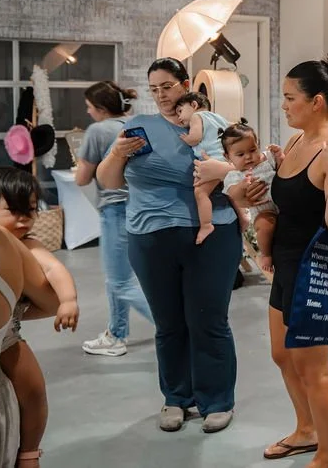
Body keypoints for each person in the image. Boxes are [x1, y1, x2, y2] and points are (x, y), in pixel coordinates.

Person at [224, 55, 328, 467]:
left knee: (314, 368)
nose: (284, 105)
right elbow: (287, 199)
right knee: (282, 355)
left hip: (312, 270)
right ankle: (305, 430)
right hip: (284, 262)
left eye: (289, 98)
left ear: (316, 101)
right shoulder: (298, 141)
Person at [97, 57, 241, 434]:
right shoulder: (139, 127)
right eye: (155, 89)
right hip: (150, 237)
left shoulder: (215, 124)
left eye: (168, 86)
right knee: (169, 323)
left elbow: (248, 166)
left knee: (208, 320)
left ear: (186, 84)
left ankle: (217, 400)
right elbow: (109, 181)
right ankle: (177, 397)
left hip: (211, 234)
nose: (162, 95)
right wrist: (116, 154)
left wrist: (224, 170)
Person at [0, 168, 80, 468]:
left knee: (33, 391)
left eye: (29, 211)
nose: (23, 220)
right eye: (13, 212)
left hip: (7, 334)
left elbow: (55, 271)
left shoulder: (29, 245)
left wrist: (68, 300)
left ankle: (30, 451)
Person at [74, 80, 153, 357]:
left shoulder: (98, 130)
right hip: (138, 209)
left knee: (120, 280)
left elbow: (82, 177)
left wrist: (81, 164)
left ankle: (173, 328)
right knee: (116, 278)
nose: (88, 113)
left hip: (115, 210)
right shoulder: (132, 126)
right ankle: (116, 334)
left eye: (89, 107)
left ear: (100, 108)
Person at [220, 121, 279, 277]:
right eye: (240, 155)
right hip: (264, 212)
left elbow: (285, 167)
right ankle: (266, 254)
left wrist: (279, 155)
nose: (248, 157)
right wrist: (242, 186)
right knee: (265, 227)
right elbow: (232, 194)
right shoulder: (234, 175)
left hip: (284, 206)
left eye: (252, 150)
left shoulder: (267, 160)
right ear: (227, 157)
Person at [175, 92, 231, 245]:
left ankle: (206, 225)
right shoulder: (219, 118)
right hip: (226, 159)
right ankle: (244, 216)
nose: (179, 118)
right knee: (230, 191)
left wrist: (186, 139)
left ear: (194, 105)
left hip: (211, 161)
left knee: (200, 193)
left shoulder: (196, 117)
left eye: (180, 111)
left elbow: (195, 137)